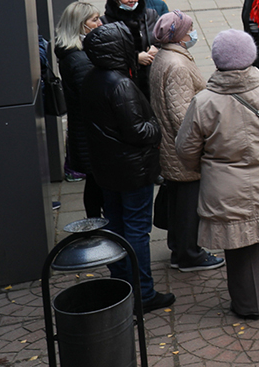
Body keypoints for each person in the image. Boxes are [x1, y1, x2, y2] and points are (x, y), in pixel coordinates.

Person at [175, 29, 259, 320]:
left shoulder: (204, 102)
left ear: (217, 60)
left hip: (226, 188)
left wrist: (202, 169)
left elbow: (185, 149)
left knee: (239, 244)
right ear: (251, 56)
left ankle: (249, 304)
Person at [81, 22, 175, 314]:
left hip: (107, 170)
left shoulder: (92, 78)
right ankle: (143, 292)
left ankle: (122, 285)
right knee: (135, 230)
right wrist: (157, 125)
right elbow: (138, 132)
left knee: (116, 226)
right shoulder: (120, 84)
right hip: (131, 171)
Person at [149, 10, 224, 272]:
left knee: (178, 200)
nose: (193, 33)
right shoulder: (177, 65)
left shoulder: (165, 56)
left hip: (170, 146)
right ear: (179, 35)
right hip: (181, 150)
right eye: (189, 28)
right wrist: (201, 144)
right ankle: (190, 255)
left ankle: (178, 249)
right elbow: (183, 115)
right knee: (188, 204)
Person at [53, 1, 105, 219]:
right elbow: (95, 98)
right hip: (90, 132)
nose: (100, 23)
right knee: (97, 181)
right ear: (79, 25)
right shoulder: (79, 59)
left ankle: (95, 223)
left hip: (84, 129)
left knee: (95, 182)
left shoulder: (72, 53)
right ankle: (97, 225)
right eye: (94, 19)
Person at [103, 0, 159, 98]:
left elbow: (163, 38)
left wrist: (157, 48)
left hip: (151, 80)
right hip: (124, 81)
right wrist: (134, 59)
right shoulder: (106, 23)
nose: (132, 0)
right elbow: (106, 54)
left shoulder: (150, 15)